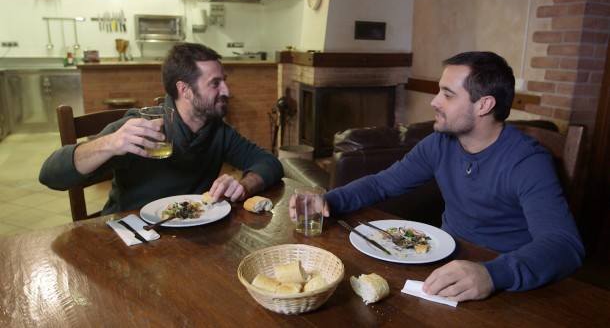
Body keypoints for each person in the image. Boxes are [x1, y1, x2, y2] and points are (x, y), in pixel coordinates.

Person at [289, 51, 584, 302]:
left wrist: (493, 274)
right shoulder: (440, 143)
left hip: (503, 284)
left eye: (448, 94)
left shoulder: (527, 161)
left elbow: (564, 244)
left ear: (484, 105)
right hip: (443, 264)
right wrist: (328, 200)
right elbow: (382, 182)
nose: (434, 102)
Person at [40, 42, 283, 214]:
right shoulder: (141, 128)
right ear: (184, 89)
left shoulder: (217, 131)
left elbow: (269, 163)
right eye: (215, 84)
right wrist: (110, 143)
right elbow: (50, 175)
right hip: (129, 239)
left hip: (189, 239)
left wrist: (244, 185)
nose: (227, 92)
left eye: (225, 82)